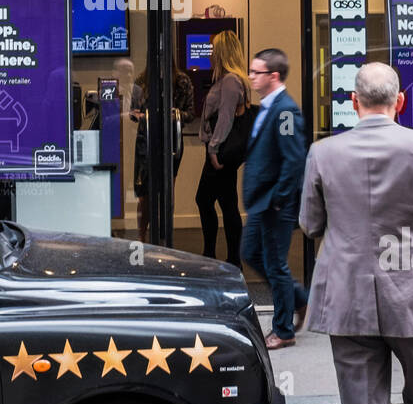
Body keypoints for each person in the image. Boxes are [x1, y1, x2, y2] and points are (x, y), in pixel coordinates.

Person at [300, 61, 413, 404]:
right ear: (400, 101)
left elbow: (310, 225)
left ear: (353, 101)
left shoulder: (322, 153)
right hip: (412, 294)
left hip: (347, 295)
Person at [241, 48, 309, 350]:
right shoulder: (268, 106)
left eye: (256, 72)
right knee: (250, 252)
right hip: (261, 202)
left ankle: (283, 330)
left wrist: (279, 198)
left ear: (274, 76)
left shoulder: (284, 111)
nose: (251, 77)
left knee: (275, 264)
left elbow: (294, 160)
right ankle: (298, 298)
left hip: (274, 203)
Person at [196, 30, 252, 267]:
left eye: (214, 50)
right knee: (227, 201)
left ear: (223, 52)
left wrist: (213, 149)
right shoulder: (232, 80)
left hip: (220, 152)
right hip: (223, 151)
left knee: (204, 199)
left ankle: (213, 255)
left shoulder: (230, 81)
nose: (211, 54)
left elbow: (226, 118)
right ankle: (231, 259)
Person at [131, 63, 195, 241]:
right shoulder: (142, 81)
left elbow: (190, 113)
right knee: (144, 193)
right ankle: (142, 237)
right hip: (146, 142)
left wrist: (174, 115)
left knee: (167, 190)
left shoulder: (182, 81)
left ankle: (164, 235)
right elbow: (132, 113)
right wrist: (142, 115)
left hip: (171, 142)